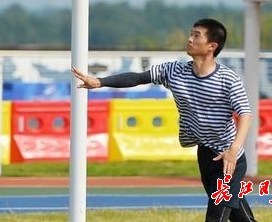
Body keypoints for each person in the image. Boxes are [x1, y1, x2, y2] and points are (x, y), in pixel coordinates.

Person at [72, 18, 256, 222]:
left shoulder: (228, 79)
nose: (189, 39)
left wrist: (233, 150)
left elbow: (246, 114)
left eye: (196, 35)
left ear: (212, 46)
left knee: (215, 218)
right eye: (191, 33)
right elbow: (138, 78)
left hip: (229, 157)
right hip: (205, 153)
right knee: (241, 218)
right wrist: (100, 82)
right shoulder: (174, 71)